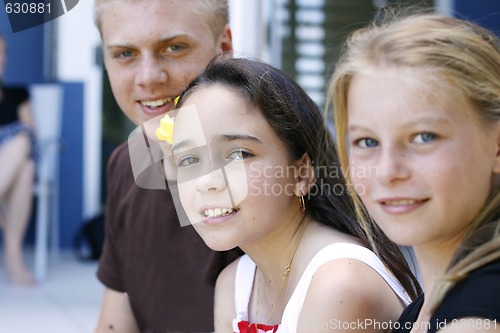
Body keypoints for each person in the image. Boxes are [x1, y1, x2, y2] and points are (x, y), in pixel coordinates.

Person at [164, 57, 422, 333]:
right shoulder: (236, 283)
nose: (207, 182)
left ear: (302, 174)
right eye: (189, 159)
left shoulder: (339, 284)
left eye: (239, 154)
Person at [329, 10, 500, 333]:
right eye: (367, 141)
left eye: (424, 137)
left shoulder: (475, 322)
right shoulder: (423, 310)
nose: (388, 171)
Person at [92, 1, 236, 332]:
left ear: (224, 48)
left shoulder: (270, 171)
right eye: (125, 54)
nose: (149, 78)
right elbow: (116, 321)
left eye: (174, 47)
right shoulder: (128, 163)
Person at [0, 33, 36, 286]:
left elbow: (31, 132)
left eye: (2, 52)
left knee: (25, 162)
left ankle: (13, 257)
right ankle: (13, 259)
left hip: (13, 156)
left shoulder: (18, 93)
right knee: (25, 168)